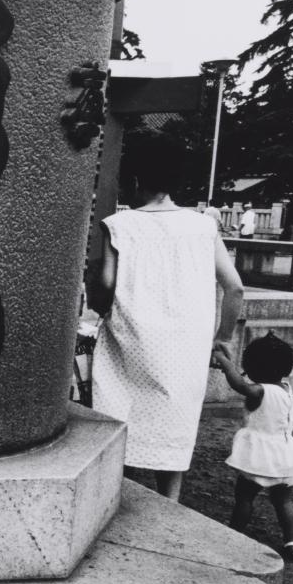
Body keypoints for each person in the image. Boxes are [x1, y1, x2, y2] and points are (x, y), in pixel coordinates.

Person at [89, 130, 244, 501]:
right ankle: (170, 503)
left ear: (136, 180)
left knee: (119, 418)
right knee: (175, 426)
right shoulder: (203, 226)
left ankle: (114, 495)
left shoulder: (119, 226)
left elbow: (105, 286)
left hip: (132, 342)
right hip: (185, 349)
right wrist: (222, 337)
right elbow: (235, 286)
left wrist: (97, 300)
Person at [211, 334, 293, 562]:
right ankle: (292, 542)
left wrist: (225, 363)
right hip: (285, 455)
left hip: (259, 457)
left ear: (253, 368)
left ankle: (234, 534)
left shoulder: (262, 391)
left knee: (244, 498)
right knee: (283, 500)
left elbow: (240, 386)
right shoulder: (285, 387)